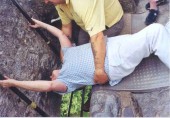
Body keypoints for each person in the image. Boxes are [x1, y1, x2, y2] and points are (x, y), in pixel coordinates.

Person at [0, 18, 170, 94]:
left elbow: (60, 34)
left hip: (112, 45)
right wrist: (14, 83)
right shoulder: (65, 82)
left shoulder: (66, 55)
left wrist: (40, 24)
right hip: (113, 62)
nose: (51, 74)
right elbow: (47, 87)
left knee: (163, 32)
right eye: (50, 76)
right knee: (155, 33)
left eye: (50, 74)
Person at [44, 0, 124, 85]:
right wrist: (64, 55)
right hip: (87, 25)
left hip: (110, 23)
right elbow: (66, 27)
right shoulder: (59, 3)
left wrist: (99, 71)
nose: (46, 2)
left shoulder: (81, 2)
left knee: (91, 54)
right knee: (81, 47)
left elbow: (97, 36)